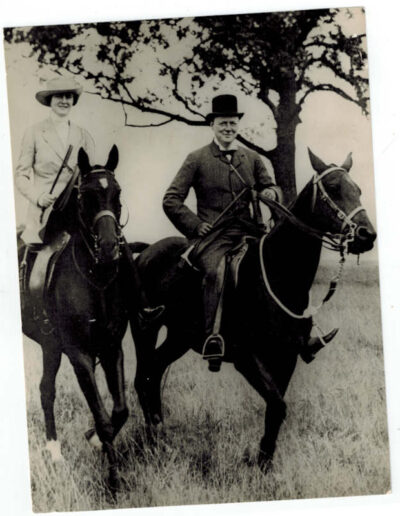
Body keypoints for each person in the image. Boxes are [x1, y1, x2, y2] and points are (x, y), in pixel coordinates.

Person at [163, 94, 281, 371]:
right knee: (216, 272)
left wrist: (269, 192)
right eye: (222, 123)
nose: (228, 128)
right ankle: (212, 337)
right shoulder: (197, 159)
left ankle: (299, 333)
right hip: (213, 237)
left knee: (279, 264)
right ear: (212, 125)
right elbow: (171, 199)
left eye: (232, 123)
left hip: (250, 232)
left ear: (238, 125)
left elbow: (273, 187)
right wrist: (195, 225)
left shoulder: (252, 158)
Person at [15, 77, 95, 245]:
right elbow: (21, 176)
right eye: (59, 96)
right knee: (38, 265)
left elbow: (90, 178)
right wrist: (38, 197)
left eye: (69, 96)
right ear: (50, 100)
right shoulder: (34, 133)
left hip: (77, 215)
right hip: (45, 215)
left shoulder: (83, 136)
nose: (64, 101)